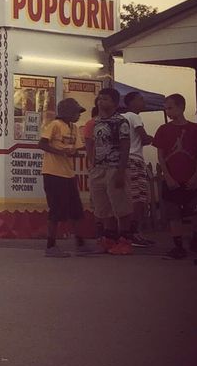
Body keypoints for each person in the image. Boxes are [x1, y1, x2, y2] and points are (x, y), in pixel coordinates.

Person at [38, 98, 97, 257]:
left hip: (68, 173)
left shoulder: (74, 128)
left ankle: (80, 242)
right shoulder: (55, 125)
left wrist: (74, 153)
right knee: (56, 210)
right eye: (76, 112)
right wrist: (61, 152)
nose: (78, 116)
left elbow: (77, 148)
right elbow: (42, 144)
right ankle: (50, 246)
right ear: (67, 112)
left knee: (76, 210)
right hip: (53, 173)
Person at [85, 87, 133, 255]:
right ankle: (109, 239)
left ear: (114, 102)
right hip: (99, 168)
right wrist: (91, 164)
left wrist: (121, 171)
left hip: (115, 167)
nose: (100, 102)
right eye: (99, 99)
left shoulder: (121, 122)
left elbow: (125, 146)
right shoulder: (96, 122)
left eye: (105, 99)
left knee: (120, 205)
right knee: (103, 206)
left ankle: (125, 240)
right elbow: (91, 144)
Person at [153, 94, 197, 260]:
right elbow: (161, 156)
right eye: (166, 107)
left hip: (191, 178)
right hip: (172, 178)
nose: (168, 111)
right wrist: (168, 176)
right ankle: (178, 246)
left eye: (170, 107)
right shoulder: (163, 130)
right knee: (174, 214)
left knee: (195, 213)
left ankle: (195, 240)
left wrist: (196, 176)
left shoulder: (195, 129)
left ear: (181, 107)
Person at [120, 92, 155, 247]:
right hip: (135, 159)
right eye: (140, 99)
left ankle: (127, 232)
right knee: (139, 198)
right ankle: (132, 233)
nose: (143, 101)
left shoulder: (122, 118)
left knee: (129, 197)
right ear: (132, 102)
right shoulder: (134, 116)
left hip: (126, 160)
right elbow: (144, 137)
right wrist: (154, 138)